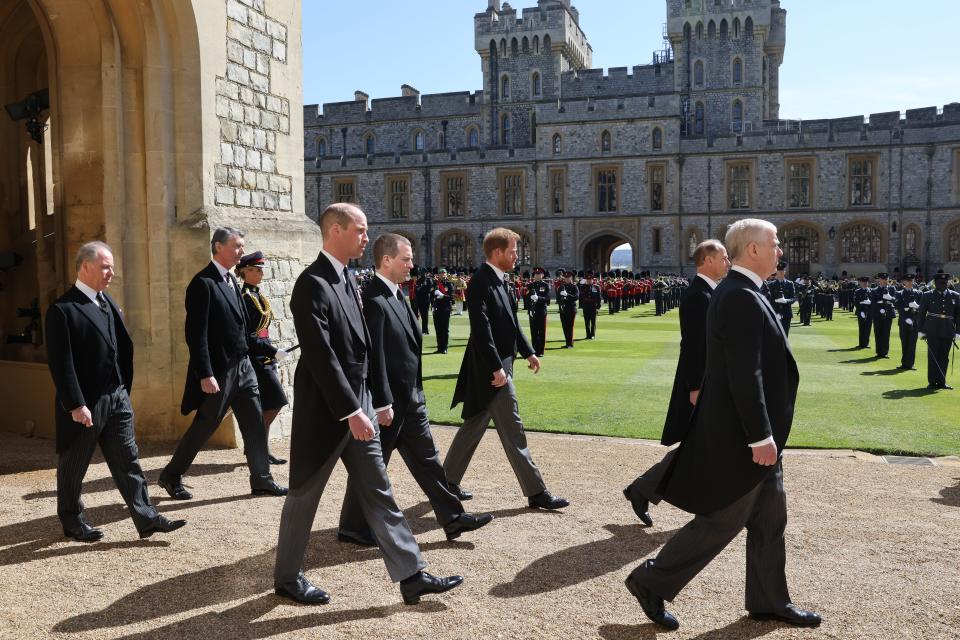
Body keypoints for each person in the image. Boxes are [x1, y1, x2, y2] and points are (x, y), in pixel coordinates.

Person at [623, 219, 820, 631]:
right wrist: (760, 435)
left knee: (770, 519)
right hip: (744, 437)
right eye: (775, 243)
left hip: (758, 434)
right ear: (753, 250)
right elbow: (744, 374)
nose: (779, 250)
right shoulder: (739, 297)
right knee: (722, 520)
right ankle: (651, 581)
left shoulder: (746, 291)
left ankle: (768, 600)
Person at [273, 204, 463, 606]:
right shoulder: (312, 283)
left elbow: (364, 350)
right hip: (327, 412)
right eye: (360, 230)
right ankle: (288, 578)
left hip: (357, 406)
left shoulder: (348, 280)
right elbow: (322, 356)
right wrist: (351, 410)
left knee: (380, 491)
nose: (366, 237)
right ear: (336, 230)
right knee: (304, 495)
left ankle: (411, 575)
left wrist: (375, 401)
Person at [337, 233, 492, 547]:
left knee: (429, 462)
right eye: (406, 259)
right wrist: (381, 402)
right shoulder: (373, 299)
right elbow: (375, 356)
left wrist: (417, 392)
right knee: (372, 466)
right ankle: (352, 526)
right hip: (390, 403)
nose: (411, 264)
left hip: (411, 398)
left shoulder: (397, 295)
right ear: (386, 260)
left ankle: (451, 517)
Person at [46, 242, 186, 542]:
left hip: (117, 398)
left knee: (129, 461)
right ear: (85, 267)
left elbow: (121, 347)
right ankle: (72, 521)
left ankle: (146, 518)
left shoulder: (107, 302)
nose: (112, 272)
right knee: (73, 466)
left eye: (111, 266)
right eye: (105, 266)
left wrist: (123, 389)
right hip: (85, 404)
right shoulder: (63, 310)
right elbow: (62, 363)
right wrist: (75, 404)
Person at [443, 228, 569, 510]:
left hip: (501, 364)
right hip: (492, 369)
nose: (517, 255)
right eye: (513, 251)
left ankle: (447, 482)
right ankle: (536, 491)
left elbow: (511, 322)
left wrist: (528, 352)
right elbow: (482, 330)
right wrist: (496, 367)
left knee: (475, 423)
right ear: (497, 252)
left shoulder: (501, 281)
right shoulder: (481, 283)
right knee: (514, 429)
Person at [158, 228, 287, 500]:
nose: (242, 250)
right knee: (205, 425)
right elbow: (196, 335)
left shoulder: (230, 280)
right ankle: (171, 475)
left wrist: (271, 350)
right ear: (218, 247)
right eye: (237, 246)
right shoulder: (202, 283)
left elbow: (242, 332)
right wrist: (205, 373)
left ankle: (262, 479)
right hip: (220, 371)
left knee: (253, 423)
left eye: (243, 246)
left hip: (244, 368)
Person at [623, 240, 730, 527]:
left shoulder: (709, 291)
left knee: (702, 444)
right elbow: (694, 345)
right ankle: (646, 489)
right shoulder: (698, 294)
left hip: (712, 379)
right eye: (723, 257)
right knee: (700, 444)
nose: (727, 262)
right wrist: (695, 387)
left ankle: (644, 489)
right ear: (707, 260)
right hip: (701, 382)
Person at [237, 251, 288, 465]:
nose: (260, 274)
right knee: (276, 401)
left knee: (268, 405)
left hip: (265, 357)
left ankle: (259, 449)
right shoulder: (246, 299)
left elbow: (263, 332)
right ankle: (256, 447)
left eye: (261, 271)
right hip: (256, 360)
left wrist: (273, 352)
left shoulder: (257, 296)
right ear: (244, 272)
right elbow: (249, 337)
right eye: (255, 270)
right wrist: (272, 352)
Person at [917, 272, 960, 390]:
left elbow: (958, 316)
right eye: (941, 283)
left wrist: (958, 332)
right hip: (932, 329)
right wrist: (921, 330)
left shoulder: (955, 295)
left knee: (944, 356)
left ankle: (942, 381)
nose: (943, 285)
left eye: (945, 283)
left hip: (948, 329)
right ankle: (932, 382)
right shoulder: (927, 295)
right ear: (935, 283)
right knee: (933, 356)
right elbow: (921, 314)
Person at [895, 274, 922, 370]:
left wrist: (915, 312)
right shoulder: (899, 293)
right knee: (905, 342)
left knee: (912, 343)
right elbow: (898, 306)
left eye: (911, 281)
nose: (910, 283)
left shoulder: (918, 293)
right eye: (908, 281)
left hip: (914, 323)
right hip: (903, 321)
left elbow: (922, 308)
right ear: (904, 282)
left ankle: (910, 364)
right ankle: (904, 363)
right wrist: (906, 317)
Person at [763, 262, 795, 337]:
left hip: (786, 313)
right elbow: (768, 298)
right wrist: (775, 303)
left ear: (785, 272)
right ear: (776, 272)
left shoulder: (790, 284)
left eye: (782, 271)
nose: (780, 273)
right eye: (779, 271)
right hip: (775, 312)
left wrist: (785, 301)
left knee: (785, 335)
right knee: (775, 336)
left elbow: (793, 299)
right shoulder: (771, 284)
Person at [870, 273, 897, 358]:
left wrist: (890, 298)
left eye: (885, 279)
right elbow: (873, 302)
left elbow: (895, 300)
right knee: (878, 332)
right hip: (877, 314)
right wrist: (879, 307)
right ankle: (879, 351)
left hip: (888, 314)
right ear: (879, 280)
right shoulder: (874, 290)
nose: (884, 281)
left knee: (886, 333)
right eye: (882, 279)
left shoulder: (892, 289)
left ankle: (885, 352)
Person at [525, 267, 551, 357]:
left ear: (542, 275)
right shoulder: (530, 285)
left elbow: (548, 300)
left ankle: (541, 351)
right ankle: (534, 350)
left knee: (542, 332)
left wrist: (538, 298)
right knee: (533, 332)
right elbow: (527, 298)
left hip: (541, 311)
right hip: (532, 311)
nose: (537, 275)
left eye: (539, 274)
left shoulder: (545, 285)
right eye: (535, 274)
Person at [432, 271, 454, 354]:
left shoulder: (449, 284)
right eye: (441, 273)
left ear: (446, 274)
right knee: (438, 329)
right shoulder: (435, 284)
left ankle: (444, 348)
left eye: (443, 273)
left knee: (445, 329)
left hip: (445, 309)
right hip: (437, 309)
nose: (442, 275)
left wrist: (443, 296)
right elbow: (431, 295)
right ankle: (439, 348)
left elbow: (451, 297)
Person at [557, 271, 579, 348]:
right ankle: (567, 343)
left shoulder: (574, 286)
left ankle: (570, 343)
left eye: (568, 278)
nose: (567, 279)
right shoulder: (561, 287)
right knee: (564, 327)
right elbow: (558, 299)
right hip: (563, 309)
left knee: (570, 327)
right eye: (565, 278)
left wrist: (567, 295)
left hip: (571, 309)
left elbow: (576, 297)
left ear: (571, 278)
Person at [580, 274, 602, 340]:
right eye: (587, 280)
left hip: (593, 306)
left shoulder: (596, 287)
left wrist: (598, 306)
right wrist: (582, 282)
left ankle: (592, 335)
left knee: (593, 321)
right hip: (586, 305)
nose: (589, 281)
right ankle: (588, 334)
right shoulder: (583, 287)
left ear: (592, 280)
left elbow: (599, 297)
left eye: (590, 280)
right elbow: (580, 295)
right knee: (586, 322)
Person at [854, 275, 874, 349]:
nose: (865, 283)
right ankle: (861, 343)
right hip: (861, 312)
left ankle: (866, 343)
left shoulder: (871, 291)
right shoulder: (857, 291)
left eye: (866, 282)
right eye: (863, 282)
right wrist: (861, 308)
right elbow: (856, 302)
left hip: (869, 312)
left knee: (868, 328)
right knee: (862, 327)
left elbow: (874, 302)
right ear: (860, 283)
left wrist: (870, 303)